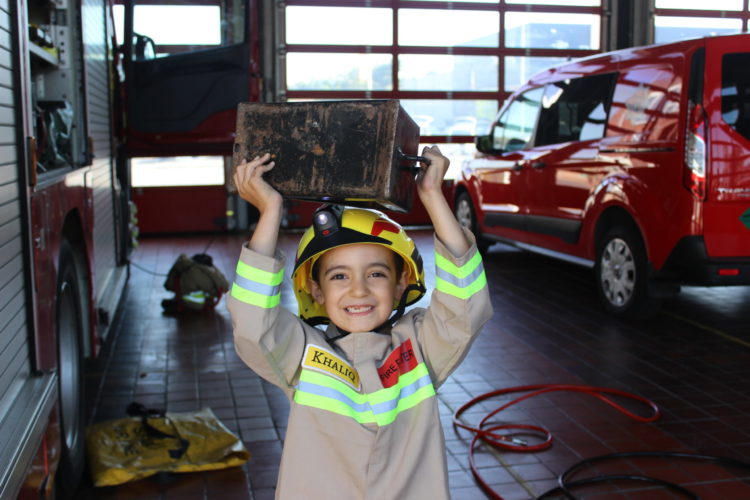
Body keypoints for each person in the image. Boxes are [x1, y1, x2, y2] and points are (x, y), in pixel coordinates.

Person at [228, 146, 493, 500]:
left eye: (376, 273)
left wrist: (433, 196)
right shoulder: (301, 357)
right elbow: (252, 322)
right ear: (315, 290)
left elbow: (466, 305)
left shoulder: (420, 349)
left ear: (401, 284)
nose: (359, 290)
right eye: (339, 276)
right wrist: (270, 211)